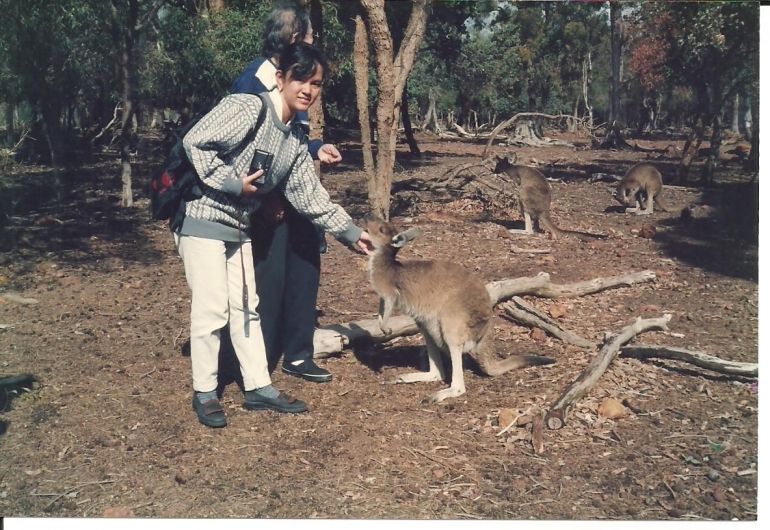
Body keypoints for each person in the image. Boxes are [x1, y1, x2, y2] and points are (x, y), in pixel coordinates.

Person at [177, 42, 373, 428]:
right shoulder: (249, 106)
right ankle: (204, 391)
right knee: (213, 308)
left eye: (315, 83)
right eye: (300, 78)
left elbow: (310, 198)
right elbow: (194, 142)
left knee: (247, 306)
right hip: (202, 219)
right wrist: (233, 184)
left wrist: (352, 233)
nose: (308, 89)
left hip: (238, 227)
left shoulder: (296, 141)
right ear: (281, 79)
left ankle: (258, 388)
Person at [229, 3, 341, 383]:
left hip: (296, 193)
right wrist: (266, 199)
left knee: (306, 268)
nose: (314, 42)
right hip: (265, 200)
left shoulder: (300, 78)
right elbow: (241, 148)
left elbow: (293, 138)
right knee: (269, 279)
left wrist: (316, 148)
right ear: (294, 39)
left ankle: (298, 354)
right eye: (309, 37)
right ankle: (259, 361)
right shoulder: (254, 80)